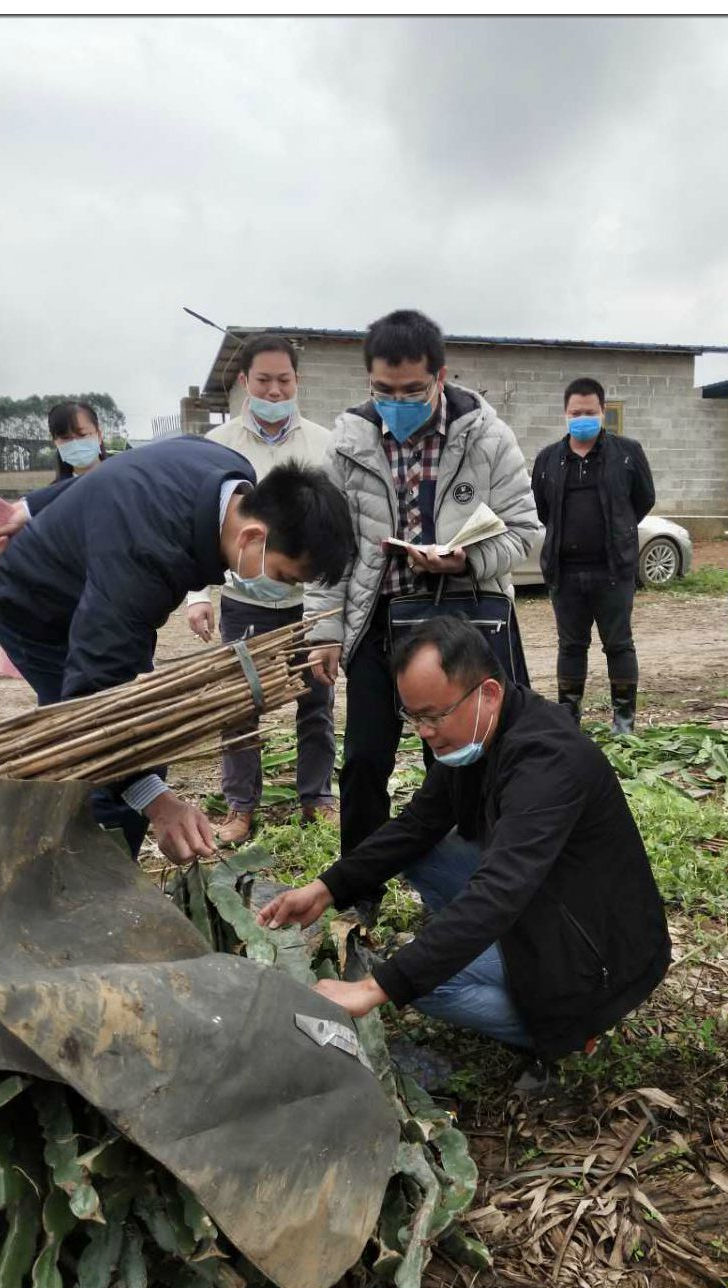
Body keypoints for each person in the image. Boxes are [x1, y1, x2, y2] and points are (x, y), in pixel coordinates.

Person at [257, 615, 670, 1086]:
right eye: (414, 717)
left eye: (433, 715)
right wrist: (327, 888)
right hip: (547, 904)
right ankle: (488, 960)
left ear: (488, 693)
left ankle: (574, 1027)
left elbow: (497, 894)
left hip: (597, 954)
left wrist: (378, 987)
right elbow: (416, 826)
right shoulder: (480, 733)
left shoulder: (547, 761)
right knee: (423, 849)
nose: (424, 732)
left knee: (425, 986)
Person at [0, 436, 354, 865]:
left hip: (96, 591)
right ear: (253, 535)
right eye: (282, 576)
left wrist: (32, 507)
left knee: (142, 730)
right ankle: (98, 868)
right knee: (99, 744)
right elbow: (95, 697)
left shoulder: (228, 472)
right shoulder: (147, 556)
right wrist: (157, 802)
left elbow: (117, 471)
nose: (283, 590)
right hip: (37, 608)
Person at [306, 308, 540, 915]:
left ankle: (485, 885)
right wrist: (326, 632)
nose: (398, 402)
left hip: (462, 625)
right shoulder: (349, 443)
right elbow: (330, 551)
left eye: (413, 390)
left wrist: (464, 561)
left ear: (440, 376)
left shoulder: (488, 438)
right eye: (383, 391)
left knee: (471, 760)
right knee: (363, 762)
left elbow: (525, 534)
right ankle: (358, 895)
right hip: (381, 626)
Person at [186, 333, 337, 844]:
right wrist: (198, 595)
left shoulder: (323, 444)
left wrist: (332, 607)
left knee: (317, 701)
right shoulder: (218, 447)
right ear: (245, 383)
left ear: (298, 382)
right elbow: (201, 524)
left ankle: (316, 796)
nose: (275, 392)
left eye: (284, 381)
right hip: (245, 601)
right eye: (264, 381)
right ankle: (241, 807)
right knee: (239, 707)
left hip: (308, 604)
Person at [532, 377, 656, 732]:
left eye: (589, 412)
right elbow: (543, 509)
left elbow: (643, 500)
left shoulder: (628, 452)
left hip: (613, 571)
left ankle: (624, 720)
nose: (582, 417)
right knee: (571, 646)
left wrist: (618, 530)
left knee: (618, 645)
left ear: (603, 412)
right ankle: (569, 719)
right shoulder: (548, 460)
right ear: (565, 414)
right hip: (565, 574)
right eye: (575, 412)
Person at [0, 400, 109, 556]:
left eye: (82, 435)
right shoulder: (46, 499)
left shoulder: (125, 477)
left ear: (99, 435)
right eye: (66, 438)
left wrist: (32, 506)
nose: (75, 443)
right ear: (56, 443)